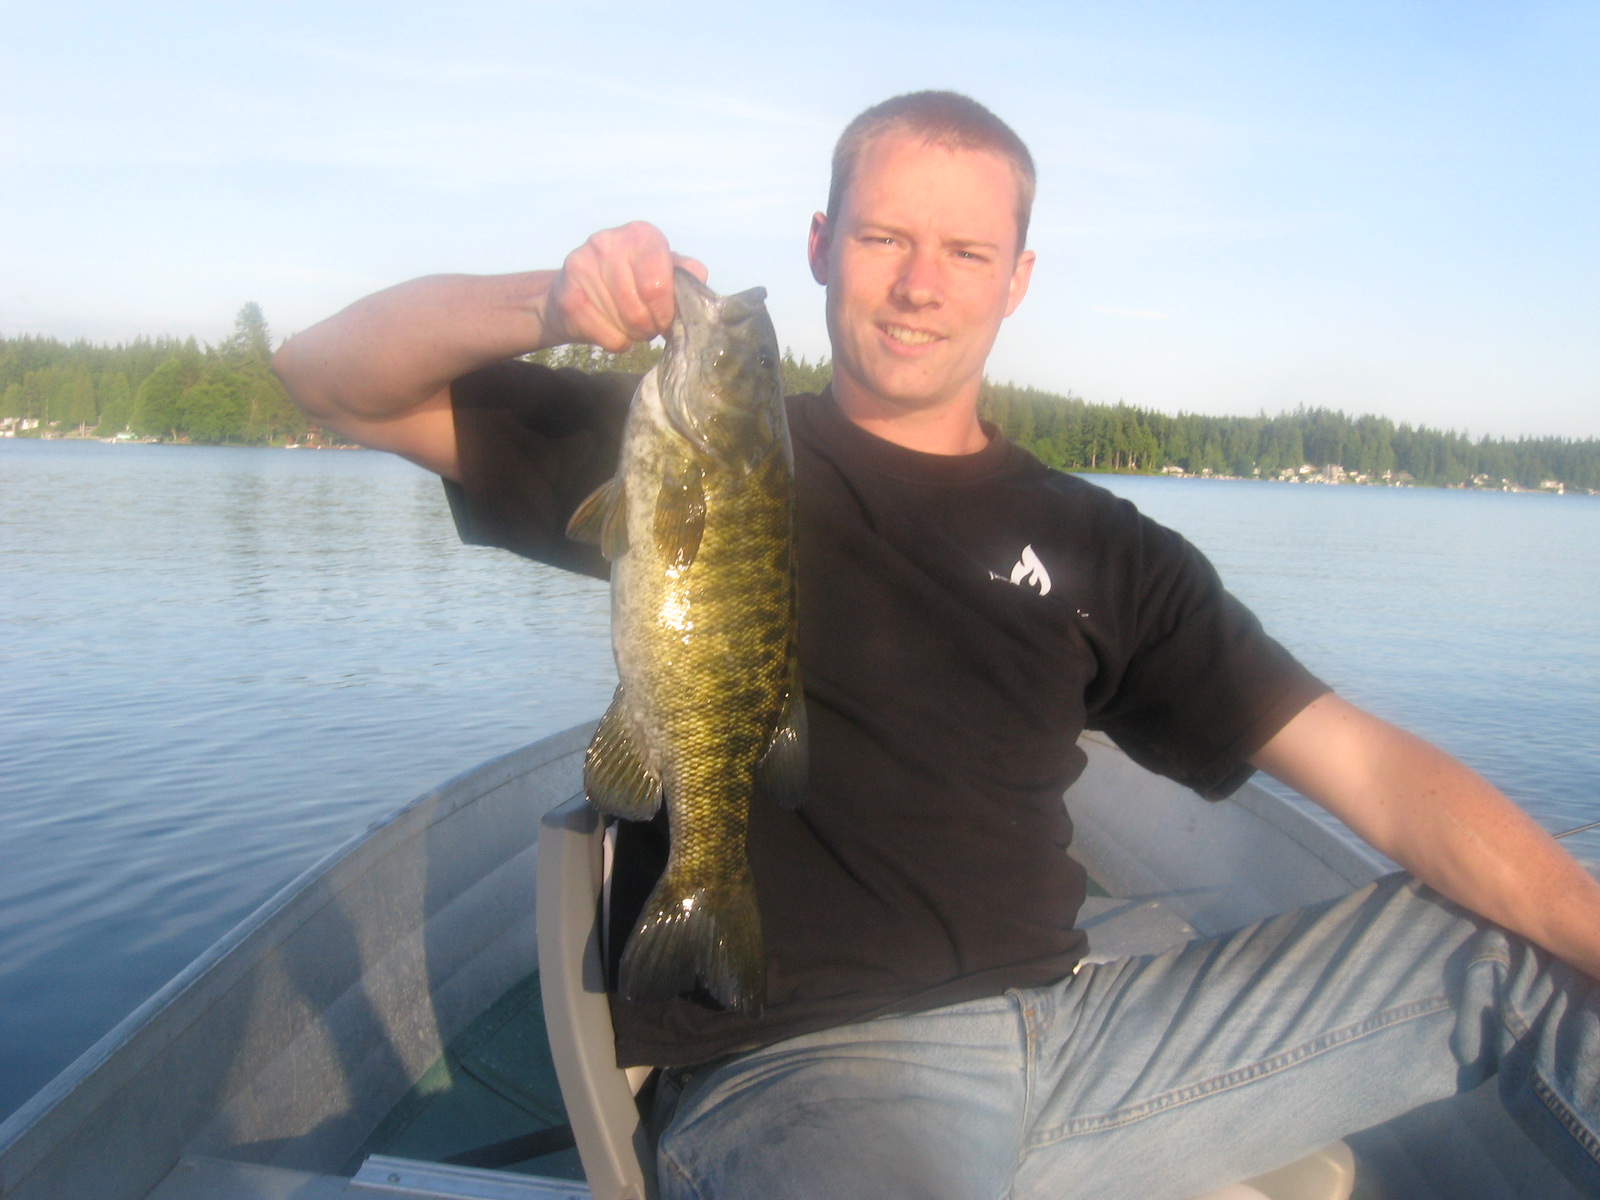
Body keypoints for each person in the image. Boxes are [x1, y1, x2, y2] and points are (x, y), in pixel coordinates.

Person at [274, 91, 1600, 1200]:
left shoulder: (1106, 547)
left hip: (1085, 1036)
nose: (919, 284)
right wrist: (543, 297)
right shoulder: (689, 449)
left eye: (965, 252)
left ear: (1017, 281)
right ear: (819, 245)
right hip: (812, 1067)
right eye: (884, 237)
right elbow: (328, 378)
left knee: (1526, 952)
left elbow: (1362, 766)